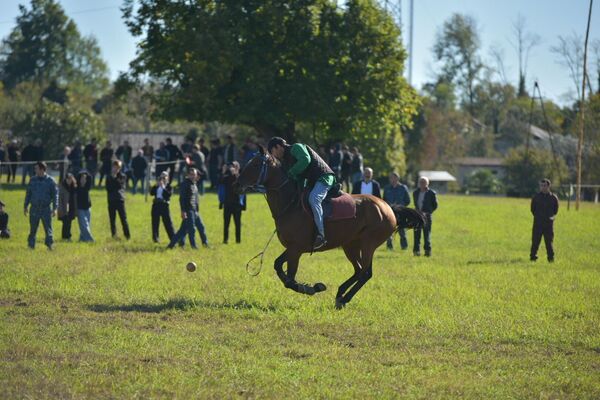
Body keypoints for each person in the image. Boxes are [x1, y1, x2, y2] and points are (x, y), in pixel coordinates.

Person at [268, 136, 335, 250]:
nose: (273, 155)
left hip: (324, 177)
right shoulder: (286, 160)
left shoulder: (296, 147)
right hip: (313, 182)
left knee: (314, 199)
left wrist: (291, 172)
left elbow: (305, 160)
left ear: (278, 147)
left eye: (272, 151)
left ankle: (321, 235)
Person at [167, 168, 208, 249]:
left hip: (195, 211)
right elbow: (182, 199)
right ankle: (193, 246)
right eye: (191, 174)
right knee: (191, 229)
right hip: (188, 210)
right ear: (188, 175)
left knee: (199, 227)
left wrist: (197, 210)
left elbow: (196, 199)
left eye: (194, 175)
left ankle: (205, 243)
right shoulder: (185, 184)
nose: (193, 176)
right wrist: (183, 211)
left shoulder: (194, 184)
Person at [24, 162, 58, 250]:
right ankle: (31, 245)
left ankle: (50, 245)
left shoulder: (51, 181)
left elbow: (55, 196)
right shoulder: (32, 180)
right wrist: (25, 206)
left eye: (36, 168)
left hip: (46, 209)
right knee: (33, 229)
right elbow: (28, 193)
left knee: (48, 229)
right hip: (34, 208)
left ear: (42, 169)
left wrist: (55, 208)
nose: (35, 170)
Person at [530, 178, 559, 262]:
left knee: (549, 242)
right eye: (541, 186)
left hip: (548, 224)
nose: (542, 187)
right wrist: (539, 217)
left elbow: (556, 210)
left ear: (548, 186)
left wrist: (549, 217)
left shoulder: (553, 198)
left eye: (544, 185)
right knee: (535, 241)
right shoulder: (536, 197)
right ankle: (533, 257)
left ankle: (550, 258)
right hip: (537, 223)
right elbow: (532, 209)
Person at [219, 162, 246, 244]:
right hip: (227, 204)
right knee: (226, 223)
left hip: (237, 204)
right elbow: (220, 183)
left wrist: (244, 206)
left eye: (234, 167)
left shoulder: (240, 178)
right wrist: (223, 172)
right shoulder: (226, 178)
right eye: (230, 167)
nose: (231, 168)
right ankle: (225, 240)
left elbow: (243, 193)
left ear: (237, 168)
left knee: (237, 224)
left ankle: (238, 240)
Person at [384, 172, 411, 250]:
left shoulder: (403, 188)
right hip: (390, 212)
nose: (391, 179)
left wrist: (401, 207)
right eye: (390, 178)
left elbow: (408, 200)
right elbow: (384, 200)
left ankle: (404, 246)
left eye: (393, 178)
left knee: (402, 230)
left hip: (401, 212)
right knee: (389, 230)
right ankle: (389, 247)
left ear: (397, 178)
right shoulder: (387, 188)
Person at [413, 177, 438, 257]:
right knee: (416, 234)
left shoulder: (432, 193)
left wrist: (429, 212)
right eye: (420, 182)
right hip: (417, 216)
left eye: (424, 182)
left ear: (427, 184)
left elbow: (435, 205)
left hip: (427, 216)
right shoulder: (415, 192)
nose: (422, 184)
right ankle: (416, 251)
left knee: (426, 235)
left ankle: (427, 251)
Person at [106, 160, 130, 239]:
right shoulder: (108, 177)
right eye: (114, 167)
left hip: (120, 199)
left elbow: (119, 185)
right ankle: (114, 235)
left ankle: (127, 235)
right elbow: (108, 188)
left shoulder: (122, 176)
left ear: (120, 168)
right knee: (112, 219)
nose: (116, 169)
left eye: (117, 167)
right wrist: (113, 179)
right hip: (111, 200)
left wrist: (115, 178)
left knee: (123, 218)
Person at [150, 171, 175, 243]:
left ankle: (173, 238)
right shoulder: (157, 186)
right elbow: (151, 193)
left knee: (168, 223)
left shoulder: (169, 187)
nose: (163, 179)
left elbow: (168, 195)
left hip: (164, 205)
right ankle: (155, 238)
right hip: (156, 205)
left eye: (164, 177)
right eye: (161, 177)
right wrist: (155, 186)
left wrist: (163, 187)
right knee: (155, 222)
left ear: (167, 178)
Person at [57, 173, 77, 240]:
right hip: (64, 207)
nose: (69, 180)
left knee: (69, 222)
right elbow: (59, 198)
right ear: (65, 179)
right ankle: (65, 236)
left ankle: (67, 236)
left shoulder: (74, 186)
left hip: (71, 207)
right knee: (65, 222)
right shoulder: (62, 186)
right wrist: (60, 208)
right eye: (68, 179)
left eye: (70, 179)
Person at [76, 170, 94, 242]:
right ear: (79, 179)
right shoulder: (76, 187)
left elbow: (90, 177)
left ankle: (82, 239)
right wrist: (81, 174)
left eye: (85, 179)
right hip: (80, 208)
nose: (84, 180)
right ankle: (90, 240)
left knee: (86, 225)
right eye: (82, 179)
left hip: (88, 207)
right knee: (84, 225)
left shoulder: (87, 186)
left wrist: (85, 173)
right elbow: (77, 176)